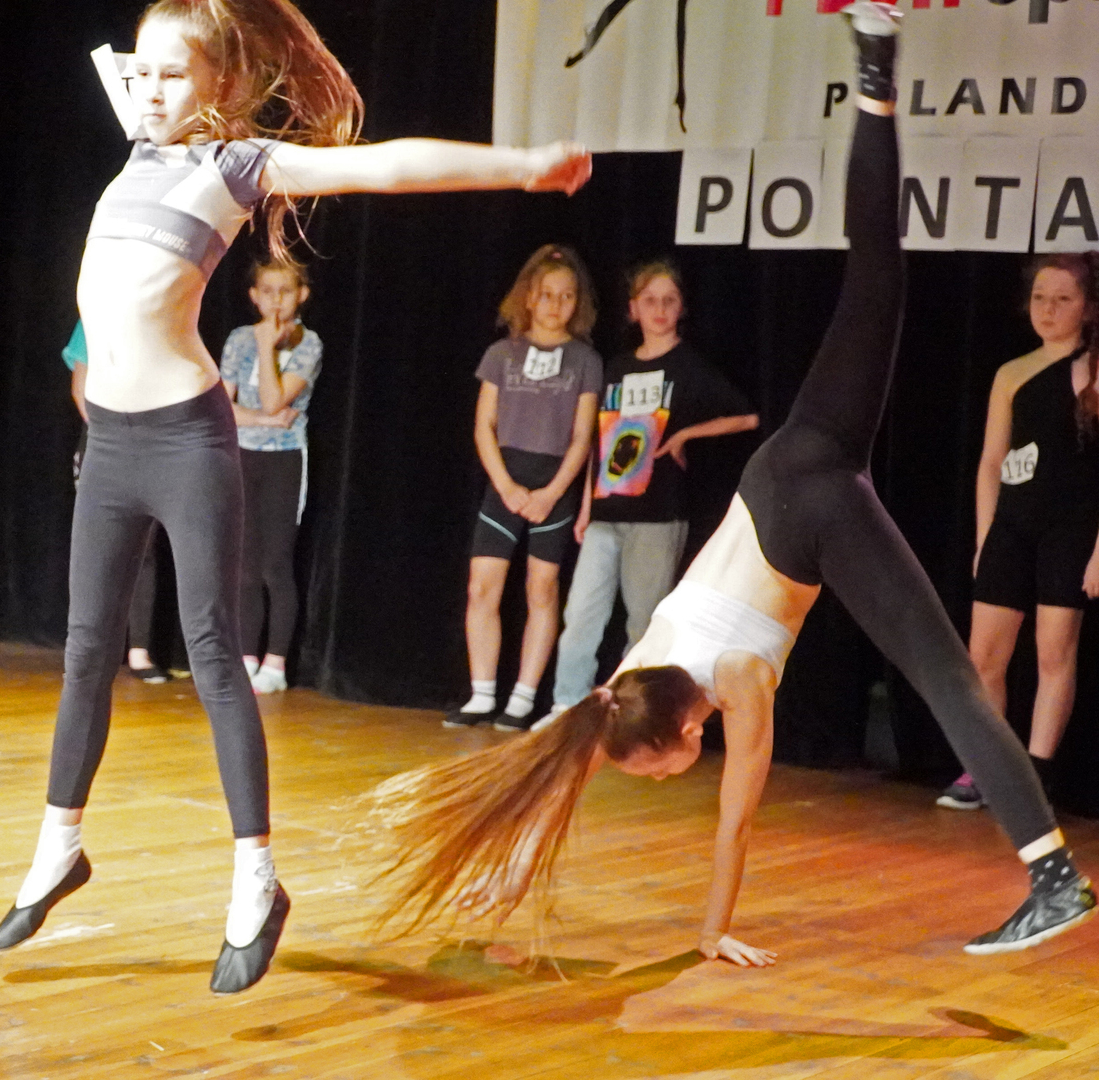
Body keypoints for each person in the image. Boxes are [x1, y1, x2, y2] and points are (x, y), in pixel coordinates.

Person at [360, 3, 1093, 967]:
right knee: (877, 279)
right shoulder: (626, 683)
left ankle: (1053, 878)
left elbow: (736, 823)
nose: (667, 778)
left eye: (659, 770)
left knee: (948, 677)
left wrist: (713, 929)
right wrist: (517, 861)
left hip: (807, 508)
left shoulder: (733, 684)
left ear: (676, 734)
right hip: (793, 457)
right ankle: (875, 66)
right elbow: (562, 762)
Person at [0, 0, 592, 996]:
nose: (149, 89)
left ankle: (256, 882)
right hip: (113, 441)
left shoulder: (233, 164)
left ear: (220, 86)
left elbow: (384, 167)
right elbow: (149, 75)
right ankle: (59, 848)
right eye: (140, 73)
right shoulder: (141, 141)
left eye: (172, 75)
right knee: (85, 649)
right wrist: (160, 63)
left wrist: (520, 164)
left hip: (185, 438)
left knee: (212, 651)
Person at [544, 263, 758, 727]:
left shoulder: (688, 366)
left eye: (669, 300)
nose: (659, 309)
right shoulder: (616, 368)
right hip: (606, 514)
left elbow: (747, 417)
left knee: (643, 623)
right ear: (633, 309)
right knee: (581, 614)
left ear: (681, 309)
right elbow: (600, 442)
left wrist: (684, 436)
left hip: (658, 515)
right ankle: (567, 711)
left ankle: (630, 720)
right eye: (650, 300)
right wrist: (586, 507)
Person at [938, 254, 1099, 812]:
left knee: (1054, 653)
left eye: (1063, 299)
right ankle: (986, 769)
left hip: (1071, 530)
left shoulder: (1093, 370)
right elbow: (991, 462)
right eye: (1039, 298)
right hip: (1012, 526)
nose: (1048, 310)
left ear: (1088, 307)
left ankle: (1035, 779)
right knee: (984, 656)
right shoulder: (1012, 373)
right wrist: (986, 537)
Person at [447, 245, 603, 732]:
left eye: (566, 296)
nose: (556, 304)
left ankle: (522, 698)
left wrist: (551, 492)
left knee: (542, 588)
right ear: (529, 298)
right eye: (546, 294)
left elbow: (583, 436)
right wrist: (507, 487)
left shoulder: (585, 360)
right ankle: (482, 694)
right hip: (505, 482)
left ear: (578, 303)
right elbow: (483, 427)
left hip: (554, 486)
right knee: (482, 588)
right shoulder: (501, 353)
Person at [220, 259, 323, 695]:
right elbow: (222, 408)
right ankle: (245, 657)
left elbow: (275, 398)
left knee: (275, 564)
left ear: (301, 295)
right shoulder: (238, 339)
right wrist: (263, 420)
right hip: (242, 457)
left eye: (285, 291)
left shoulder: (308, 344)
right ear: (254, 296)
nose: (276, 300)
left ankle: (275, 664)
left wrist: (266, 348)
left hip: (284, 460)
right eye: (267, 290)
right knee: (243, 564)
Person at [64, 319, 171, 683]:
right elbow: (80, 388)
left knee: (144, 549)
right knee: (97, 548)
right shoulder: (94, 316)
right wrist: (114, 434)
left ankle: (139, 651)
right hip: (104, 441)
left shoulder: (160, 311)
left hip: (150, 442)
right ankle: (91, 650)